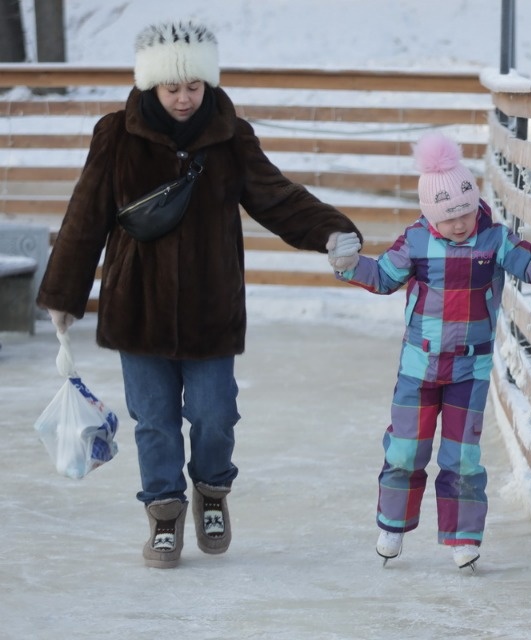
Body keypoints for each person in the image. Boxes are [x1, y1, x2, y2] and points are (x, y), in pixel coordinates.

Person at [36, 21, 363, 569]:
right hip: (137, 308)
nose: (185, 98)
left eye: (194, 86)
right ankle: (164, 514)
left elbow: (276, 197)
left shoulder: (231, 136)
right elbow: (85, 216)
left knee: (215, 415)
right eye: (172, 87)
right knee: (155, 419)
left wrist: (330, 229)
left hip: (212, 310)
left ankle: (211, 492)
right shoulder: (116, 135)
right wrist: (64, 293)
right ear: (151, 86)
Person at [326, 132, 531, 569]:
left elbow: (528, 264)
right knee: (406, 449)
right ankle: (392, 523)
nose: (460, 223)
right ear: (430, 215)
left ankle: (462, 536)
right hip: (418, 365)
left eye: (465, 211)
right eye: (449, 217)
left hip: (470, 366)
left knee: (462, 456)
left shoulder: (494, 239)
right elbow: (384, 277)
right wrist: (349, 266)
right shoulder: (416, 241)